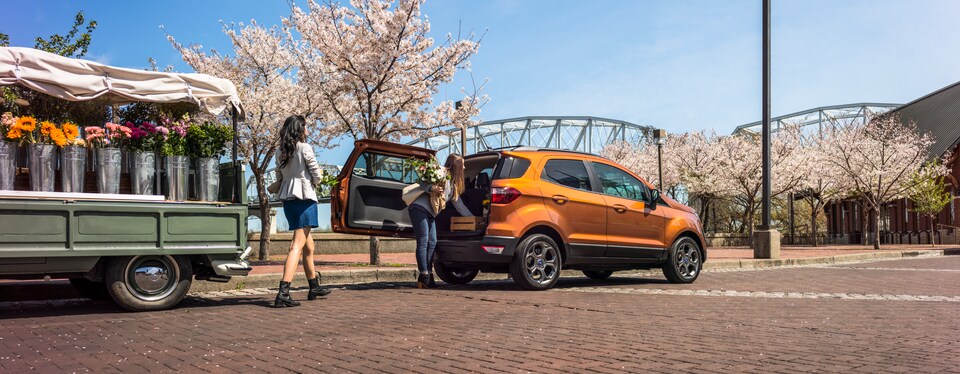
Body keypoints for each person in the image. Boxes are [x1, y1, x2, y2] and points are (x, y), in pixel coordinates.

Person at [272, 115, 331, 307]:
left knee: (309, 246)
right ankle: (283, 292)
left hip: (289, 199)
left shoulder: (280, 150)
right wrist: (318, 181)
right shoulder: (304, 147)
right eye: (306, 127)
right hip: (305, 197)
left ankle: (314, 287)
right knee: (297, 245)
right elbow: (315, 171)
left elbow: (279, 174)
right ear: (300, 129)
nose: (309, 130)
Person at [407, 154, 473, 289]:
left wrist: (472, 219)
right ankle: (424, 274)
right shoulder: (440, 172)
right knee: (423, 240)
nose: (465, 167)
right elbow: (421, 182)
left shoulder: (453, 184)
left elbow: (459, 205)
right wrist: (433, 188)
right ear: (456, 165)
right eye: (463, 164)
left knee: (433, 242)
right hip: (419, 208)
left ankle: (427, 275)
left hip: (431, 212)